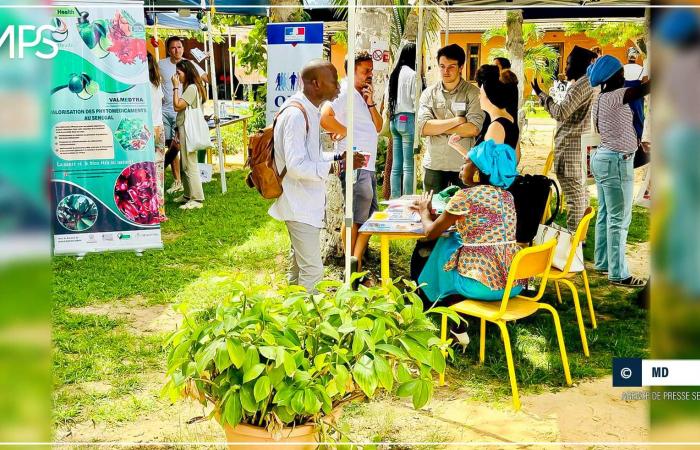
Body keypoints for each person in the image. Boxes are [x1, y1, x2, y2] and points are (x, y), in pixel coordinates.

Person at [270, 60, 364, 292]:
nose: (339, 87)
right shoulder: (296, 115)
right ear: (316, 83)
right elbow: (296, 166)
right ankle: (309, 323)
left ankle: (291, 316)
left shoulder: (309, 110)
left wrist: (339, 160)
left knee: (298, 268)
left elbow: (311, 156)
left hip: (304, 202)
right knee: (312, 271)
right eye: (333, 81)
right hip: (298, 203)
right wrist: (334, 168)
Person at [411, 140, 522, 305]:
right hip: (512, 284)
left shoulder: (465, 196)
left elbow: (430, 232)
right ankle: (448, 309)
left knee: (444, 244)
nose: (461, 167)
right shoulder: (507, 197)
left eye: (466, 163)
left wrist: (424, 211)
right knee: (454, 241)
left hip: (479, 285)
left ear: (477, 171)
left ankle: (430, 300)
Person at [587, 55, 650, 287]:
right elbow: (644, 89)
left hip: (603, 158)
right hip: (616, 162)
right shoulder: (617, 96)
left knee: (605, 214)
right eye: (621, 72)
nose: (625, 76)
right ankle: (619, 273)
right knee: (619, 220)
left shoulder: (602, 97)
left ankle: (603, 262)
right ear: (614, 76)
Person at [320, 51, 383, 272]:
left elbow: (378, 126)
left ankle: (356, 262)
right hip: (356, 164)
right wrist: (346, 132)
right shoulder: (344, 92)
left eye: (371, 71)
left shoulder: (361, 94)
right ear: (351, 71)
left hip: (368, 164)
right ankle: (351, 267)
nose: (370, 75)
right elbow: (325, 118)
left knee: (369, 216)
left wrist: (371, 102)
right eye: (366, 71)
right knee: (355, 217)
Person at [532, 45, 597, 232]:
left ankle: (574, 244)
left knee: (575, 199)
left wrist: (542, 96)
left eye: (568, 63)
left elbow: (561, 112)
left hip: (571, 150)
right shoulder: (586, 83)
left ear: (579, 65)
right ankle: (579, 239)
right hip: (578, 149)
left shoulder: (582, 85)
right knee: (581, 195)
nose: (565, 68)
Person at [417, 44, 484, 193]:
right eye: (442, 66)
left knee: (463, 213)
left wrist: (438, 127)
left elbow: (473, 128)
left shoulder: (473, 93)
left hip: (462, 166)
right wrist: (458, 121)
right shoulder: (429, 93)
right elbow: (423, 128)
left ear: (461, 67)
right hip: (434, 164)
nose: (445, 71)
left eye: (451, 67)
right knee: (431, 211)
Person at [159, 36, 209, 195]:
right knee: (173, 148)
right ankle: (179, 183)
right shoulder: (161, 65)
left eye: (179, 47)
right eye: (173, 48)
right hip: (167, 111)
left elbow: (178, 104)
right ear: (168, 50)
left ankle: (194, 194)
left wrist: (207, 62)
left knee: (184, 155)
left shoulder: (190, 77)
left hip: (183, 114)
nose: (177, 50)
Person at [448, 76, 519, 157]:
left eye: (481, 94)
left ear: (490, 97)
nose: (479, 97)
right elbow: (514, 157)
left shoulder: (496, 126)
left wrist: (458, 148)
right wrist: (456, 146)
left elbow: (486, 164)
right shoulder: (510, 118)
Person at [172, 60, 207, 210]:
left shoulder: (192, 88)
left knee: (190, 163)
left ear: (186, 72)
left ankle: (197, 198)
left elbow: (177, 106)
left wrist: (175, 87)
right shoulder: (191, 87)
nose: (177, 76)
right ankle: (187, 194)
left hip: (187, 128)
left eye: (178, 73)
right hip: (183, 127)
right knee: (184, 162)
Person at [386, 43, 419, 198]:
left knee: (396, 165)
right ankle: (407, 198)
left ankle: (394, 197)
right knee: (408, 165)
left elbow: (388, 99)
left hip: (394, 119)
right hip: (407, 118)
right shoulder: (413, 74)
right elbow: (415, 100)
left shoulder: (394, 74)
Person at [147, 53, 167, 221]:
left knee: (144, 170)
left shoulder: (138, 84)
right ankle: (160, 210)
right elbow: (161, 101)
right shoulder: (157, 81)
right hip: (159, 128)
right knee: (158, 170)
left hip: (145, 128)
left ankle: (148, 209)